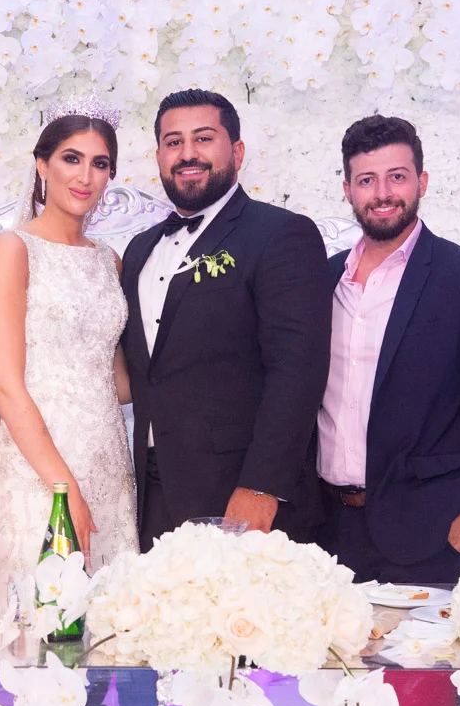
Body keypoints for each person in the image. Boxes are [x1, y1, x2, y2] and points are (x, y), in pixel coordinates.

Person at [317, 115, 460, 587]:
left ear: (421, 182)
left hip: (430, 535)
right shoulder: (321, 280)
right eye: (367, 180)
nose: (383, 193)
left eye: (397, 176)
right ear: (348, 190)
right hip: (323, 532)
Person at [119, 89, 332, 548]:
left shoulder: (281, 235)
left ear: (236, 151)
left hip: (240, 494)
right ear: (158, 157)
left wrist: (262, 486)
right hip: (152, 493)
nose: (187, 154)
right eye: (173, 142)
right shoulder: (138, 250)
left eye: (203, 138)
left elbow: (298, 372)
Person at [0, 107, 140, 590]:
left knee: (112, 612)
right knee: (42, 612)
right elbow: (5, 386)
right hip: (38, 468)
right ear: (41, 164)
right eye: (72, 158)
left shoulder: (109, 261)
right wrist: (62, 488)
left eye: (100, 163)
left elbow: (118, 381)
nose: (85, 176)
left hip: (108, 461)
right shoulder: (12, 249)